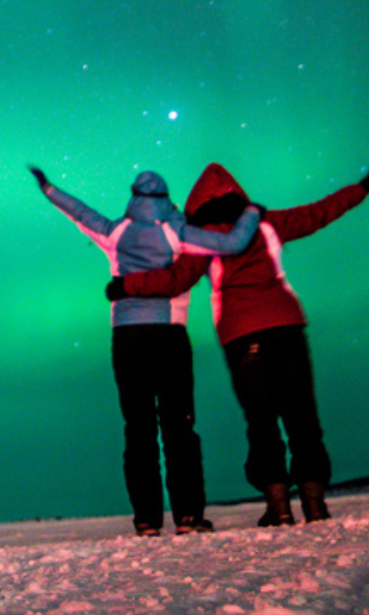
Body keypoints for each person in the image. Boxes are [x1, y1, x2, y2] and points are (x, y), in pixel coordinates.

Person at [113, 163, 369, 526]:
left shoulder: (201, 239)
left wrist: (127, 287)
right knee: (300, 412)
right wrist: (364, 186)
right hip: (286, 325)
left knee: (261, 418)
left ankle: (278, 507)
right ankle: (314, 501)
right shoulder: (265, 222)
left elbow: (174, 279)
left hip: (241, 332)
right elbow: (320, 212)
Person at [29, 165, 265, 537]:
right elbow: (234, 243)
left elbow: (79, 211)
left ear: (134, 196)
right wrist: (252, 213)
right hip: (169, 334)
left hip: (126, 338)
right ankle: (188, 516)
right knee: (179, 427)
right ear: (164, 197)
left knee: (137, 428)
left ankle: (146, 520)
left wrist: (47, 188)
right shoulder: (178, 232)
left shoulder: (116, 232)